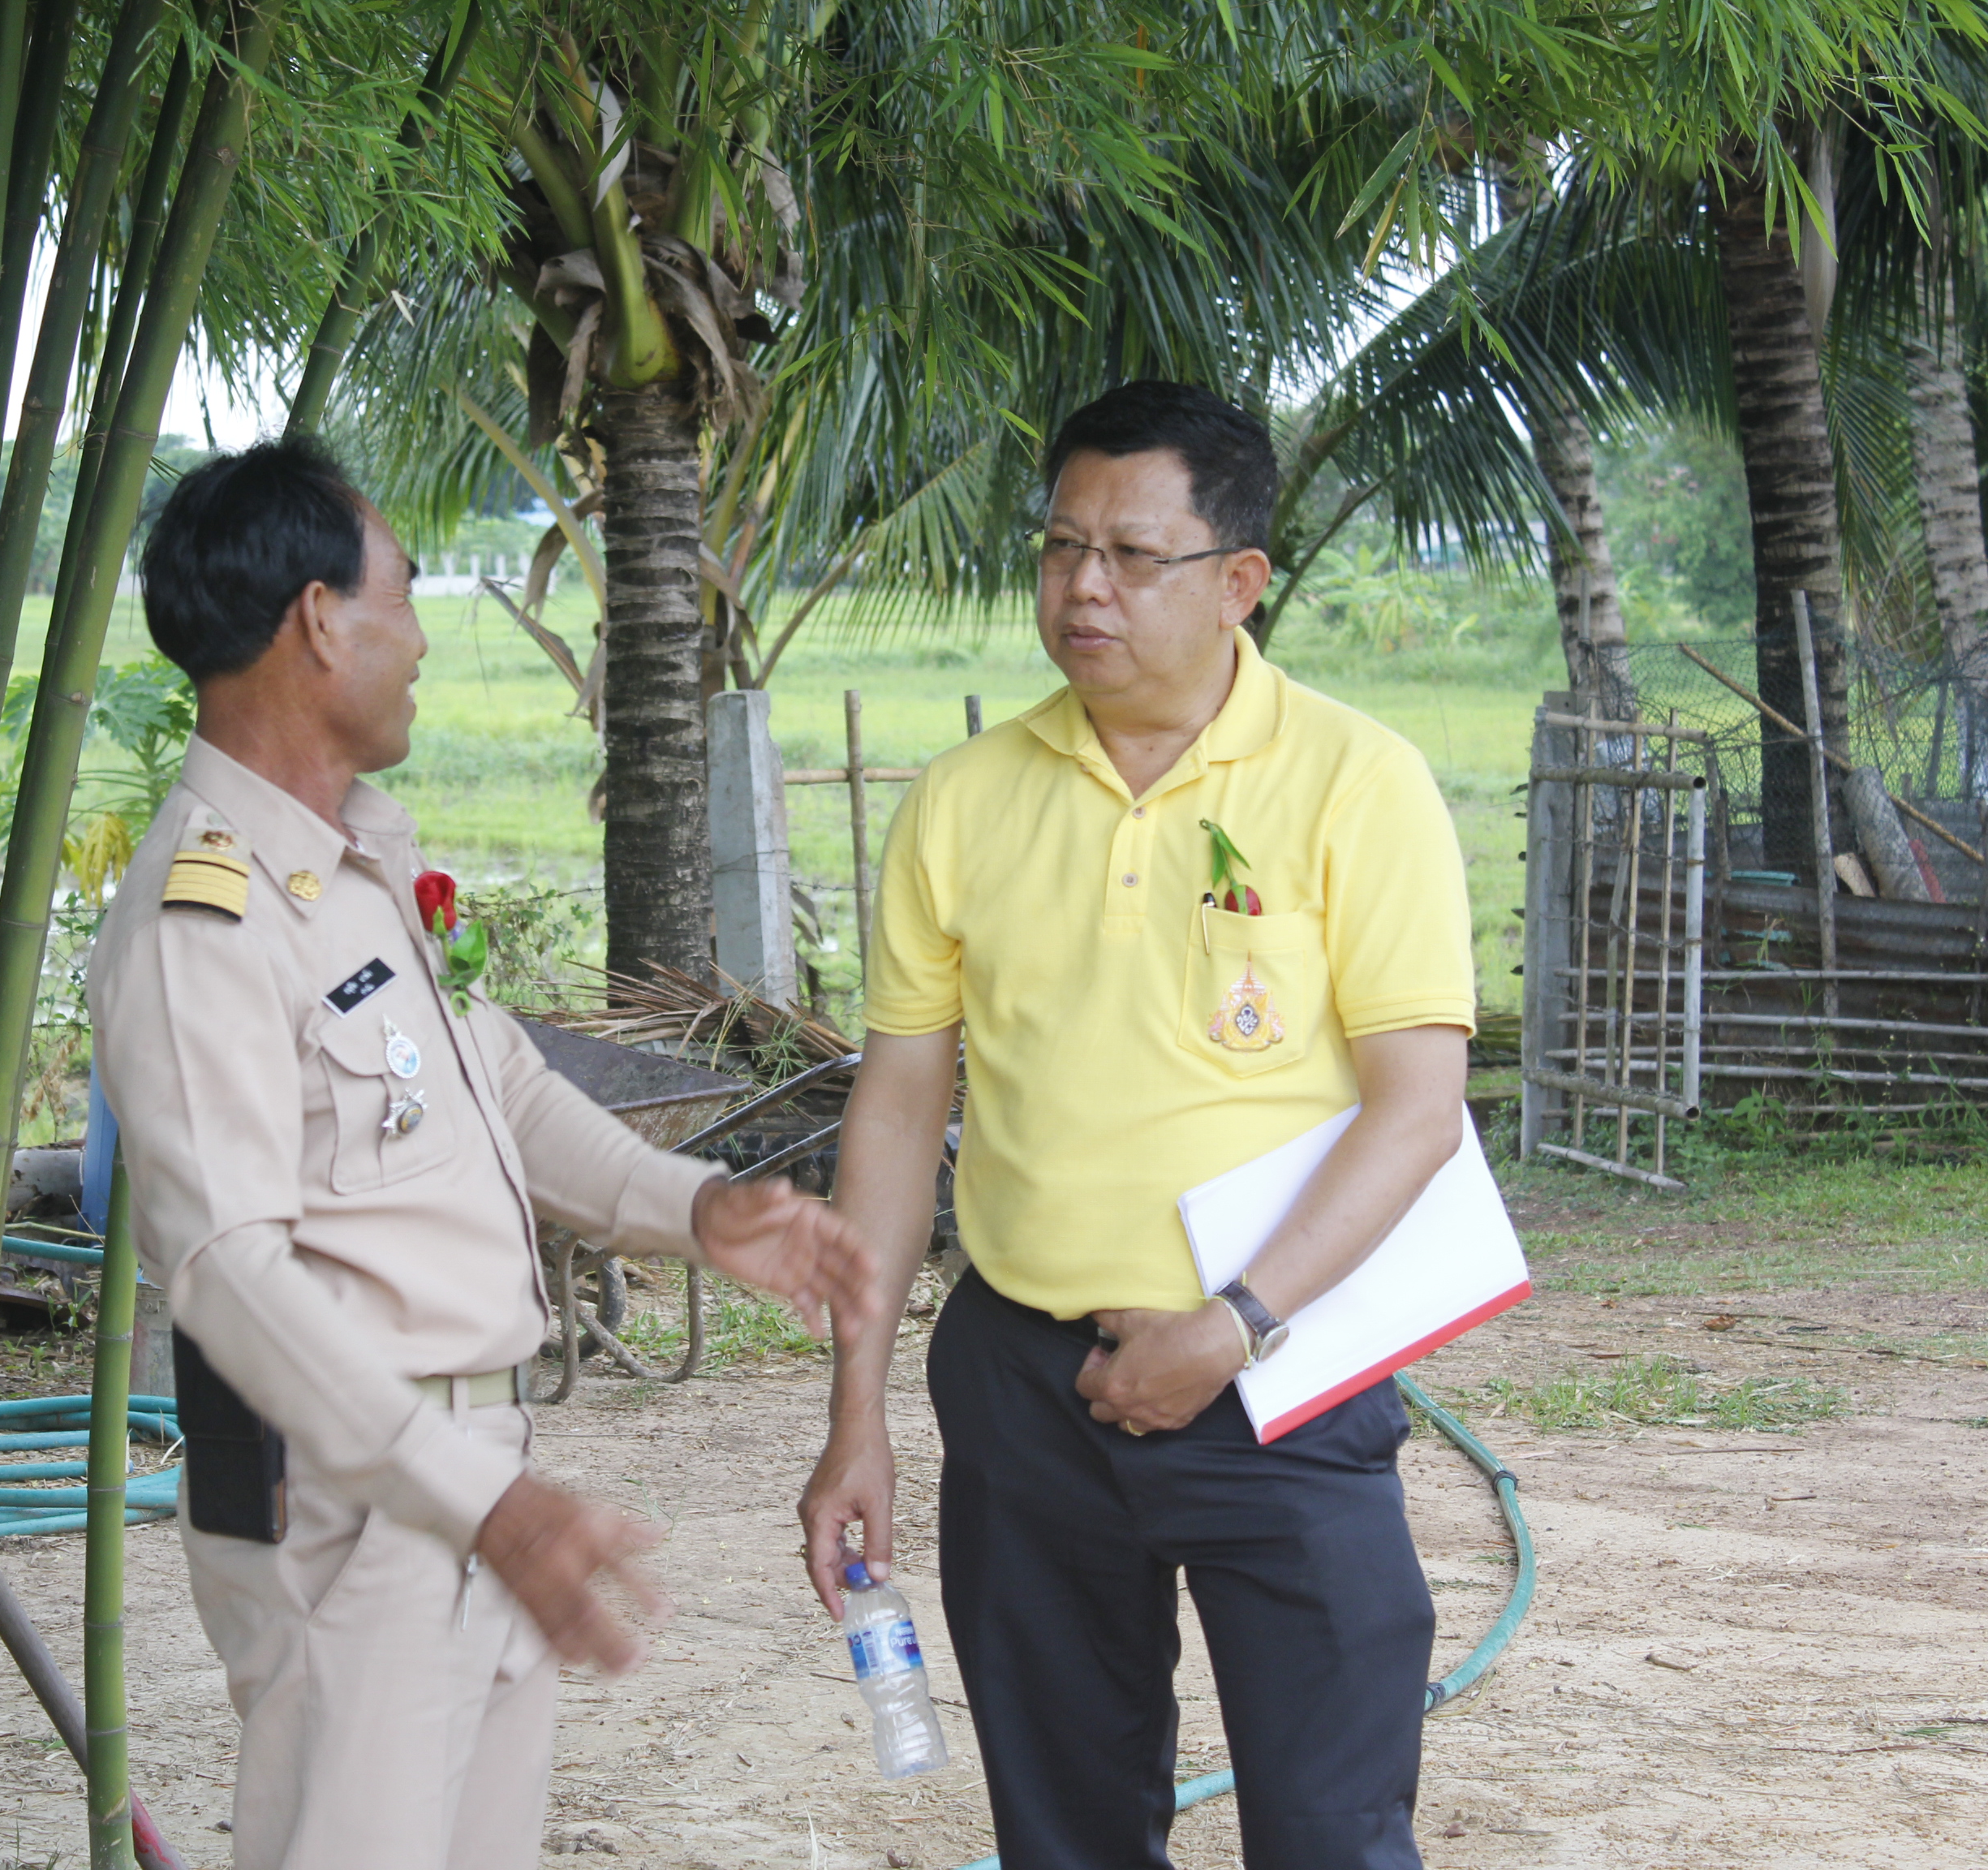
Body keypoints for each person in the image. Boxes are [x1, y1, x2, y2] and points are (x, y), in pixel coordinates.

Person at [89, 437, 874, 1870]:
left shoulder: (347, 864)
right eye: (400, 592)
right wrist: (477, 1502)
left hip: (471, 1471)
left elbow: (493, 1082)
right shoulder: (200, 914)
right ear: (319, 621)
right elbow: (228, 1271)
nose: (424, 637)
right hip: (357, 1507)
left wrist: (698, 1209)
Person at [796, 381, 1478, 1869]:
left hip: (1278, 1378)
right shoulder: (967, 800)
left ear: (1241, 581)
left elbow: (1419, 1111)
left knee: (1330, 1832)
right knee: (1065, 1833)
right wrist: (857, 1413)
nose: (1083, 587)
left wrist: (1232, 1325)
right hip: (1023, 1386)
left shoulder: (1359, 784)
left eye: (1131, 554)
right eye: (1058, 547)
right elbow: (903, 1109)